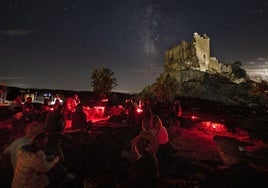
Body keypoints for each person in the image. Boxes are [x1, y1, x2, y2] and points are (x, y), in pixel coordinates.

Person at [200, 135, 268, 188]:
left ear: (222, 153)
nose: (216, 149)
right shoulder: (257, 173)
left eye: (218, 147)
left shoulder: (220, 179)